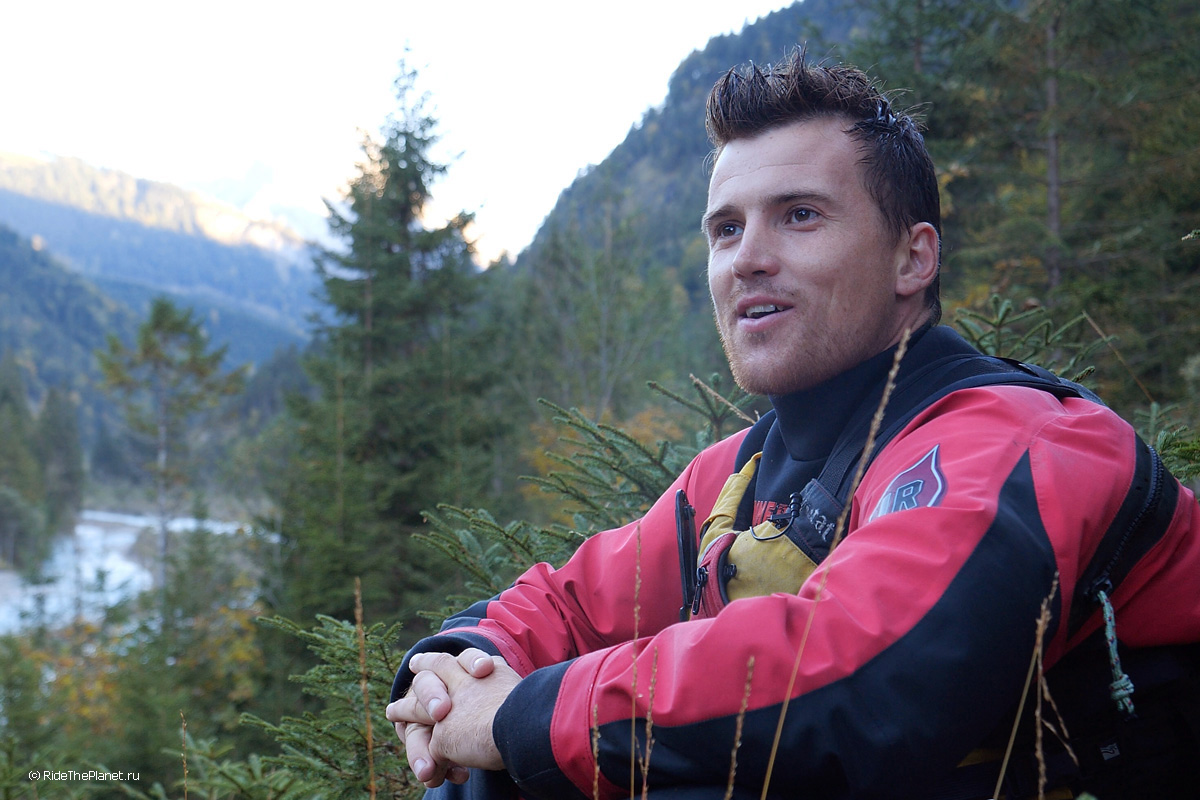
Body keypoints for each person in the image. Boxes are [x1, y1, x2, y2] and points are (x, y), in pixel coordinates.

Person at [386, 48, 1200, 799]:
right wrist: (456, 670)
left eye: (800, 215)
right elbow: (569, 605)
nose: (748, 257)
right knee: (499, 776)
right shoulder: (737, 475)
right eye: (726, 229)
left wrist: (523, 715)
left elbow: (866, 678)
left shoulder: (1015, 442)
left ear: (913, 259)